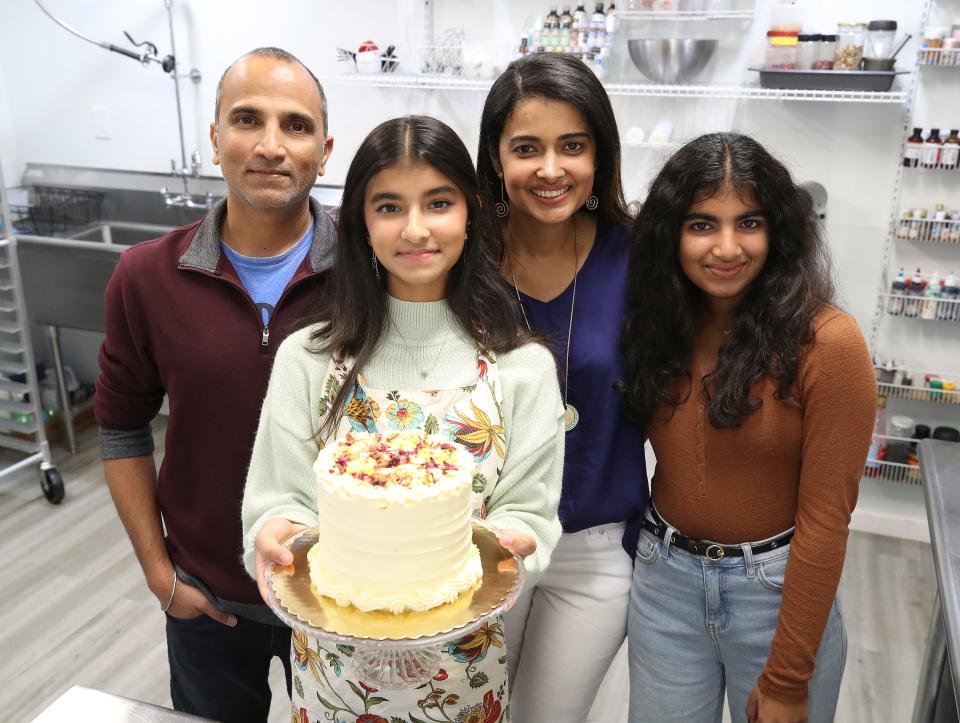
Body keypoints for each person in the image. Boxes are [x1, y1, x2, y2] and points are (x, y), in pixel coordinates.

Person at [242, 115, 565, 720]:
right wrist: (273, 536)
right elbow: (278, 499)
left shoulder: (523, 368)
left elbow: (529, 511)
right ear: (361, 225)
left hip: (462, 669)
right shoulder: (307, 358)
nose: (415, 229)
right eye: (388, 207)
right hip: (333, 673)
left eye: (438, 203)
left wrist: (518, 543)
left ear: (471, 213)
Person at [94, 47, 335, 722]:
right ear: (214, 138)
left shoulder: (372, 274)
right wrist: (159, 573)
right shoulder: (146, 276)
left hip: (337, 598)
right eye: (246, 119)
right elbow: (119, 426)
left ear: (325, 148)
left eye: (295, 125)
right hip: (206, 599)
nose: (269, 145)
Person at [620, 132, 876, 723]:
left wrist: (787, 679)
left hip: (776, 596)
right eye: (703, 224)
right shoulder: (657, 325)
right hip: (663, 584)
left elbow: (825, 522)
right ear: (671, 234)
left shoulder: (828, 344)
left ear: (778, 231)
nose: (727, 247)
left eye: (749, 223)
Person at [475, 52, 647, 721]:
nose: (551, 170)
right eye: (527, 148)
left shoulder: (640, 257)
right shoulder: (463, 260)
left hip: (595, 554)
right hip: (481, 546)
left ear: (598, 155)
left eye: (572, 146)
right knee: (468, 711)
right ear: (495, 158)